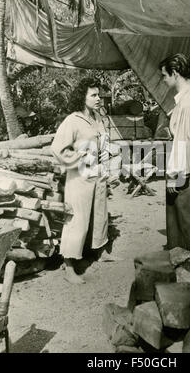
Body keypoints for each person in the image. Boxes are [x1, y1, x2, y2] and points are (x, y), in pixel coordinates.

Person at [51, 77, 110, 284]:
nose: (98, 99)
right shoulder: (72, 121)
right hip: (79, 179)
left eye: (99, 95)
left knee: (99, 215)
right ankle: (69, 268)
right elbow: (58, 150)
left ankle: (99, 252)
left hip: (98, 176)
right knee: (77, 220)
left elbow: (103, 143)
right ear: (82, 97)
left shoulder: (97, 118)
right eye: (93, 95)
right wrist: (79, 159)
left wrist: (105, 156)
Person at [159, 53, 190, 253]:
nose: (163, 79)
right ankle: (181, 253)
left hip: (186, 159)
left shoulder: (188, 102)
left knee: (186, 211)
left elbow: (184, 141)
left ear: (175, 72)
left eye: (164, 75)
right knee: (183, 210)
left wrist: (176, 176)